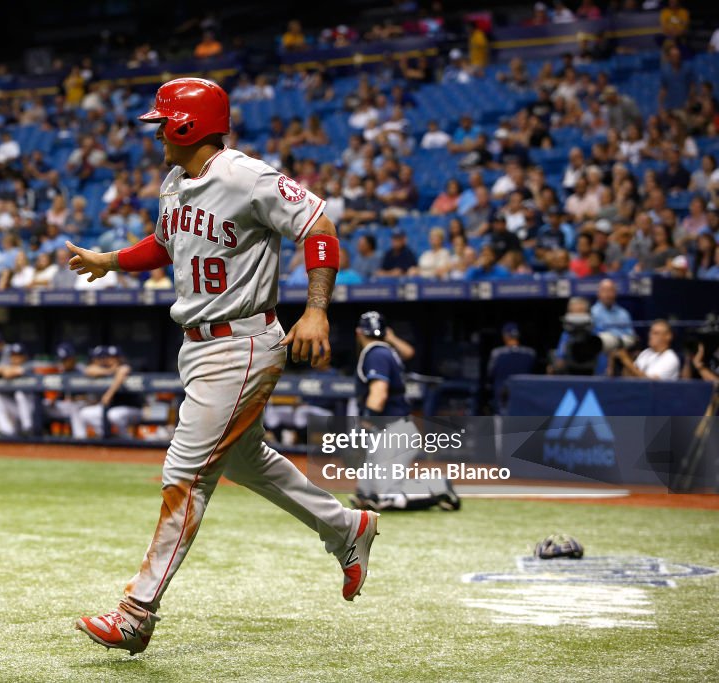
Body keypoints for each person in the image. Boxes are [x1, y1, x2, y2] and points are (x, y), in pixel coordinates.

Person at [65, 77, 378, 654]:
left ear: (186, 124)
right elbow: (165, 244)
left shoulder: (245, 176)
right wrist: (110, 259)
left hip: (244, 341)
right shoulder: (175, 182)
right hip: (199, 343)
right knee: (247, 460)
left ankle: (136, 611)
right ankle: (346, 526)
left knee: (185, 473)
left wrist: (316, 312)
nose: (156, 132)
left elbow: (320, 227)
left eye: (162, 122)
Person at [348, 312, 459, 512]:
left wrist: (363, 426)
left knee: (387, 498)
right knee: (365, 495)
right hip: (386, 429)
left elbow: (379, 394)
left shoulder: (375, 353)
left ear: (358, 332)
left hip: (394, 430)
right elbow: (408, 352)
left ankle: (439, 486)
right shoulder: (387, 350)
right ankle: (381, 492)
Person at [70, 345, 143, 438]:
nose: (112, 360)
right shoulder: (108, 369)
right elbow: (89, 370)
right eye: (110, 357)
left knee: (114, 415)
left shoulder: (125, 366)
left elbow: (123, 371)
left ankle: (125, 439)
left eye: (115, 357)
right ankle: (97, 437)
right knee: (83, 413)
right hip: (113, 408)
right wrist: (109, 371)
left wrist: (109, 394)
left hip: (133, 408)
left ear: (121, 358)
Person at [0, 343, 37, 436]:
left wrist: (1, 370)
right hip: (16, 410)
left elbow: (9, 373)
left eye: (18, 355)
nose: (15, 358)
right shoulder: (6, 364)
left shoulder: (30, 365)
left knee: (20, 394)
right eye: (13, 355)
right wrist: (1, 369)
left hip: (33, 411)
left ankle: (28, 428)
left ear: (24, 357)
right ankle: (6, 429)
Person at [486, 323, 537, 414]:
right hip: (522, 394)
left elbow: (490, 374)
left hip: (502, 395)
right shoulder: (530, 353)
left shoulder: (497, 353)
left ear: (505, 336)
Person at [616, 320, 680, 380]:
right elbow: (629, 377)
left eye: (655, 333)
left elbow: (650, 383)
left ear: (667, 336)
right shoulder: (646, 352)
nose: (650, 336)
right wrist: (623, 360)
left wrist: (626, 360)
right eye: (650, 332)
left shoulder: (670, 358)